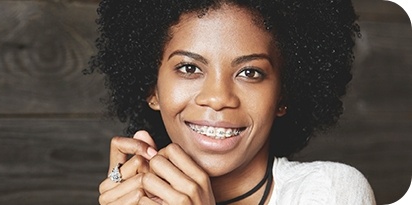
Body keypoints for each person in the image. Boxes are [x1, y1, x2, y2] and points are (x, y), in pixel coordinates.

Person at [87, 0, 376, 204]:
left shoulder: (330, 191)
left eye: (250, 72)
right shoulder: (134, 200)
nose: (217, 98)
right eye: (189, 68)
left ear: (283, 95)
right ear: (152, 88)